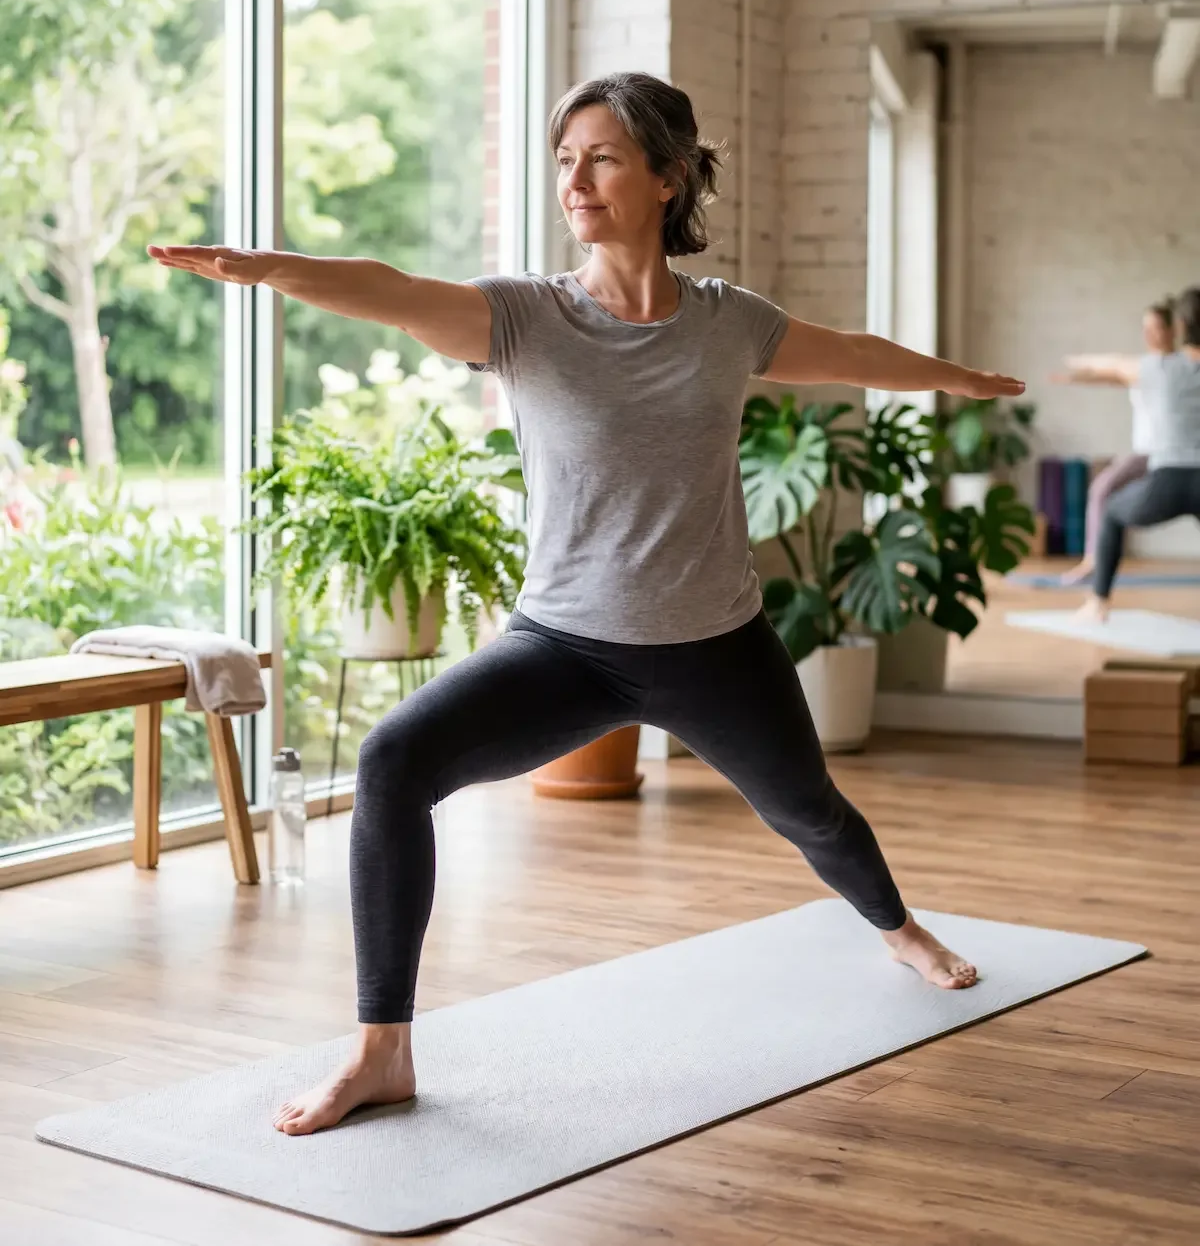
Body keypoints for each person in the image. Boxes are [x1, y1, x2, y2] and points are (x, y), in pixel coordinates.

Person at [148, 72, 1024, 1138]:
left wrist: (963, 377)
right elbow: (390, 285)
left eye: (601, 157)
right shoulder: (521, 317)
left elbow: (852, 355)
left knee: (811, 812)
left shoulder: (728, 324)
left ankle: (898, 926)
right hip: (565, 645)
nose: (576, 179)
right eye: (565, 159)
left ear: (667, 175)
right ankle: (383, 1049)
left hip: (715, 645)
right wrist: (269, 268)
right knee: (394, 762)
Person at [1057, 287, 1200, 621]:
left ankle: (1098, 603)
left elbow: (1114, 366)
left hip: (1168, 480)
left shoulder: (1157, 368)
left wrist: (1077, 363)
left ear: (1178, 327)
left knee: (1111, 512)